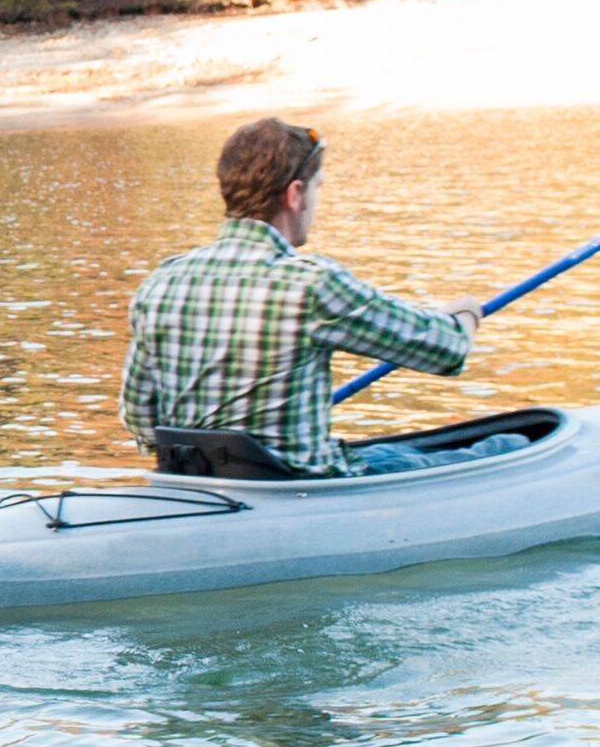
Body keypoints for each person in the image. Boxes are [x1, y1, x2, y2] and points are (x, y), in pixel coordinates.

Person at [121, 117, 480, 479]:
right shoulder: (311, 284)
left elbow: (140, 418)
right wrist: (465, 314)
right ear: (294, 195)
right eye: (317, 187)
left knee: (391, 453)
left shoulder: (160, 284)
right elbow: (447, 350)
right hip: (298, 487)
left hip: (198, 486)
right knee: (505, 444)